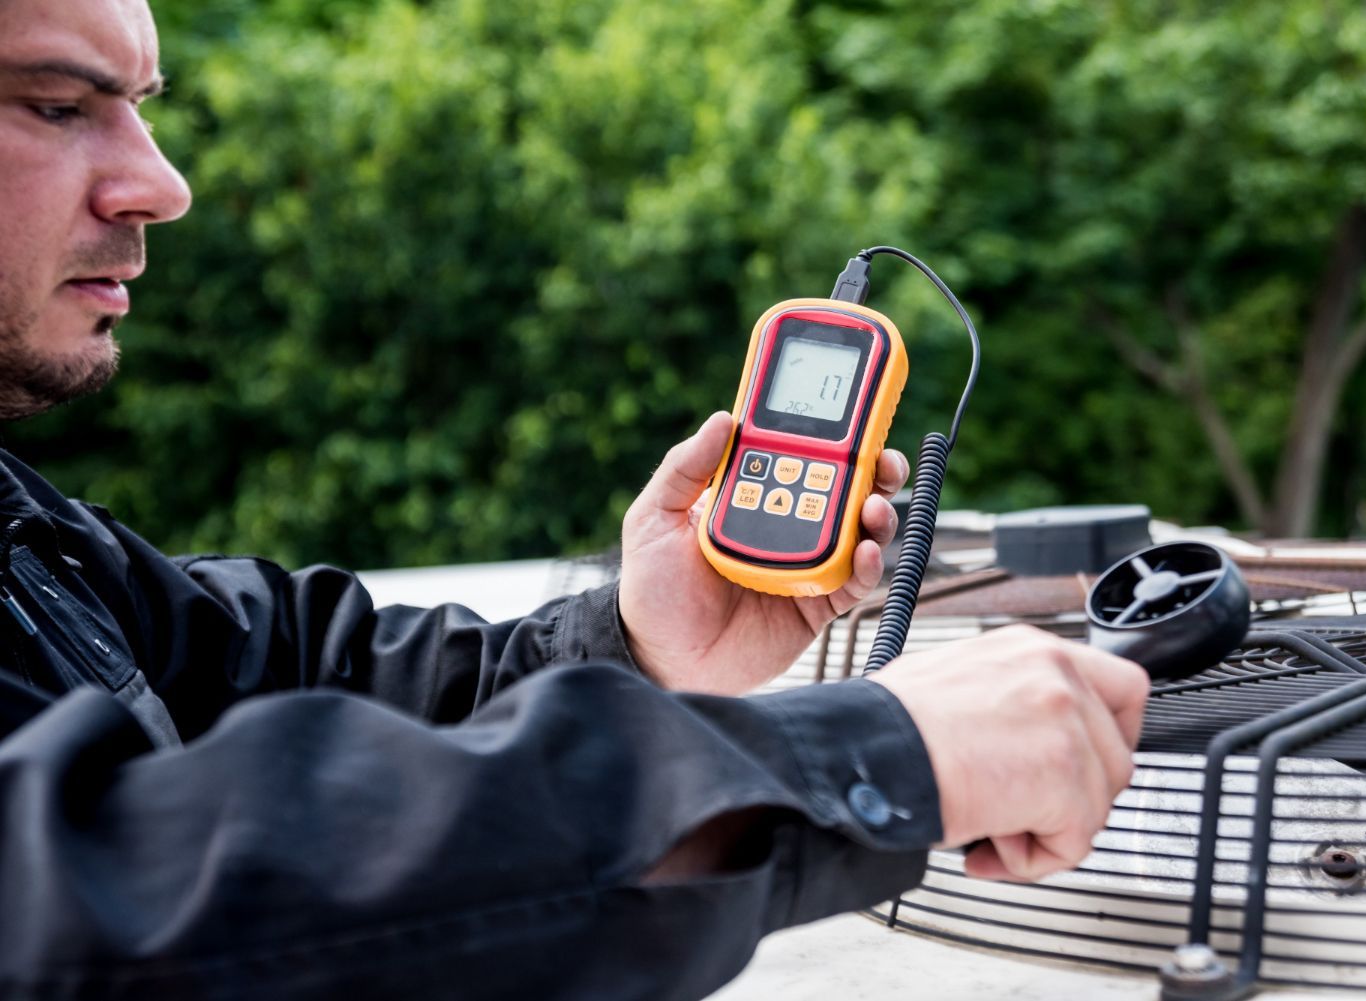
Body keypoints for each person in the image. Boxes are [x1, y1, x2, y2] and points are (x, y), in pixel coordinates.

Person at [0, 0, 1151, 998]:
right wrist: (863, 755)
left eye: (146, 106)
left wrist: (633, 642)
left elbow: (275, 669)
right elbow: (95, 905)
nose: (163, 183)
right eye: (58, 103)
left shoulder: (23, 529)